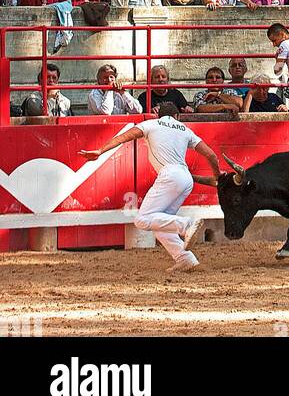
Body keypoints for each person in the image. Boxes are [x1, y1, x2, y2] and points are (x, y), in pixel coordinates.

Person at [79, 104, 220, 272]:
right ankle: (185, 259)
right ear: (177, 115)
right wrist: (217, 176)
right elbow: (211, 154)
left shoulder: (151, 124)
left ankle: (186, 224)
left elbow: (124, 137)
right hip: (186, 178)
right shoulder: (185, 129)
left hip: (169, 175)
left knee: (142, 219)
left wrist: (101, 150)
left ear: (157, 115)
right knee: (160, 223)